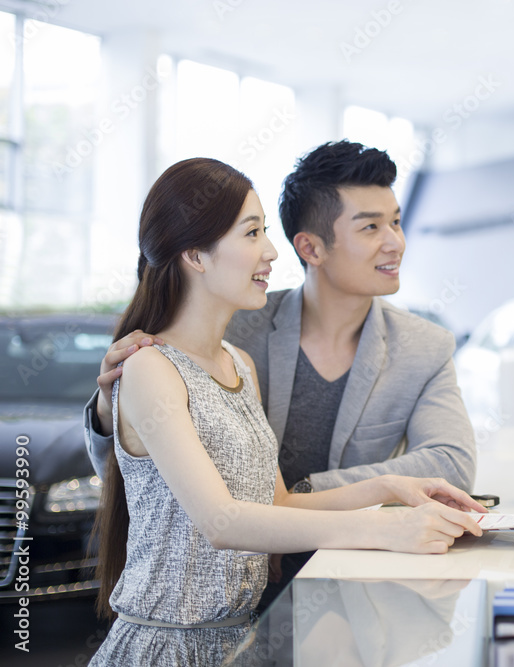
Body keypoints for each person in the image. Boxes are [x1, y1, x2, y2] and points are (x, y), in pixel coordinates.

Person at [89, 158, 484, 665]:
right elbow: (220, 521)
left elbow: (277, 503)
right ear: (196, 255)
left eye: (396, 221)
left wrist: (387, 491)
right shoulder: (154, 365)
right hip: (172, 645)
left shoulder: (240, 362)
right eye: (252, 234)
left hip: (242, 639)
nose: (271, 252)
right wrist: (384, 528)